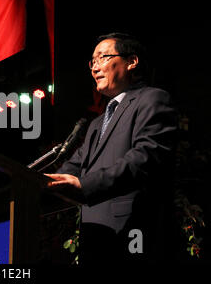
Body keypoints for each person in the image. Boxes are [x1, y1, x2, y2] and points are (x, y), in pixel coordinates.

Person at [45, 33, 178, 264]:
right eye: (92, 62)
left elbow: (145, 158)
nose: (95, 67)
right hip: (95, 236)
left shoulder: (152, 99)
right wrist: (35, 183)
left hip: (133, 233)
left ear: (131, 61)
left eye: (103, 58)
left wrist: (84, 184)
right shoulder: (96, 123)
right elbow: (74, 166)